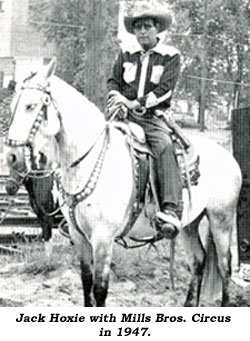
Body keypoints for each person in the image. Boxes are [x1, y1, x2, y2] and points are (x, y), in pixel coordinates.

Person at [107, 2, 182, 239]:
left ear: (157, 28)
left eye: (147, 27)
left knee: (164, 147)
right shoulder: (126, 53)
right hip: (123, 115)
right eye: (138, 27)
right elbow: (113, 81)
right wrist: (117, 98)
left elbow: (165, 90)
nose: (141, 32)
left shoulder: (170, 56)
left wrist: (134, 104)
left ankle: (170, 208)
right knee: (99, 142)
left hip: (151, 117)